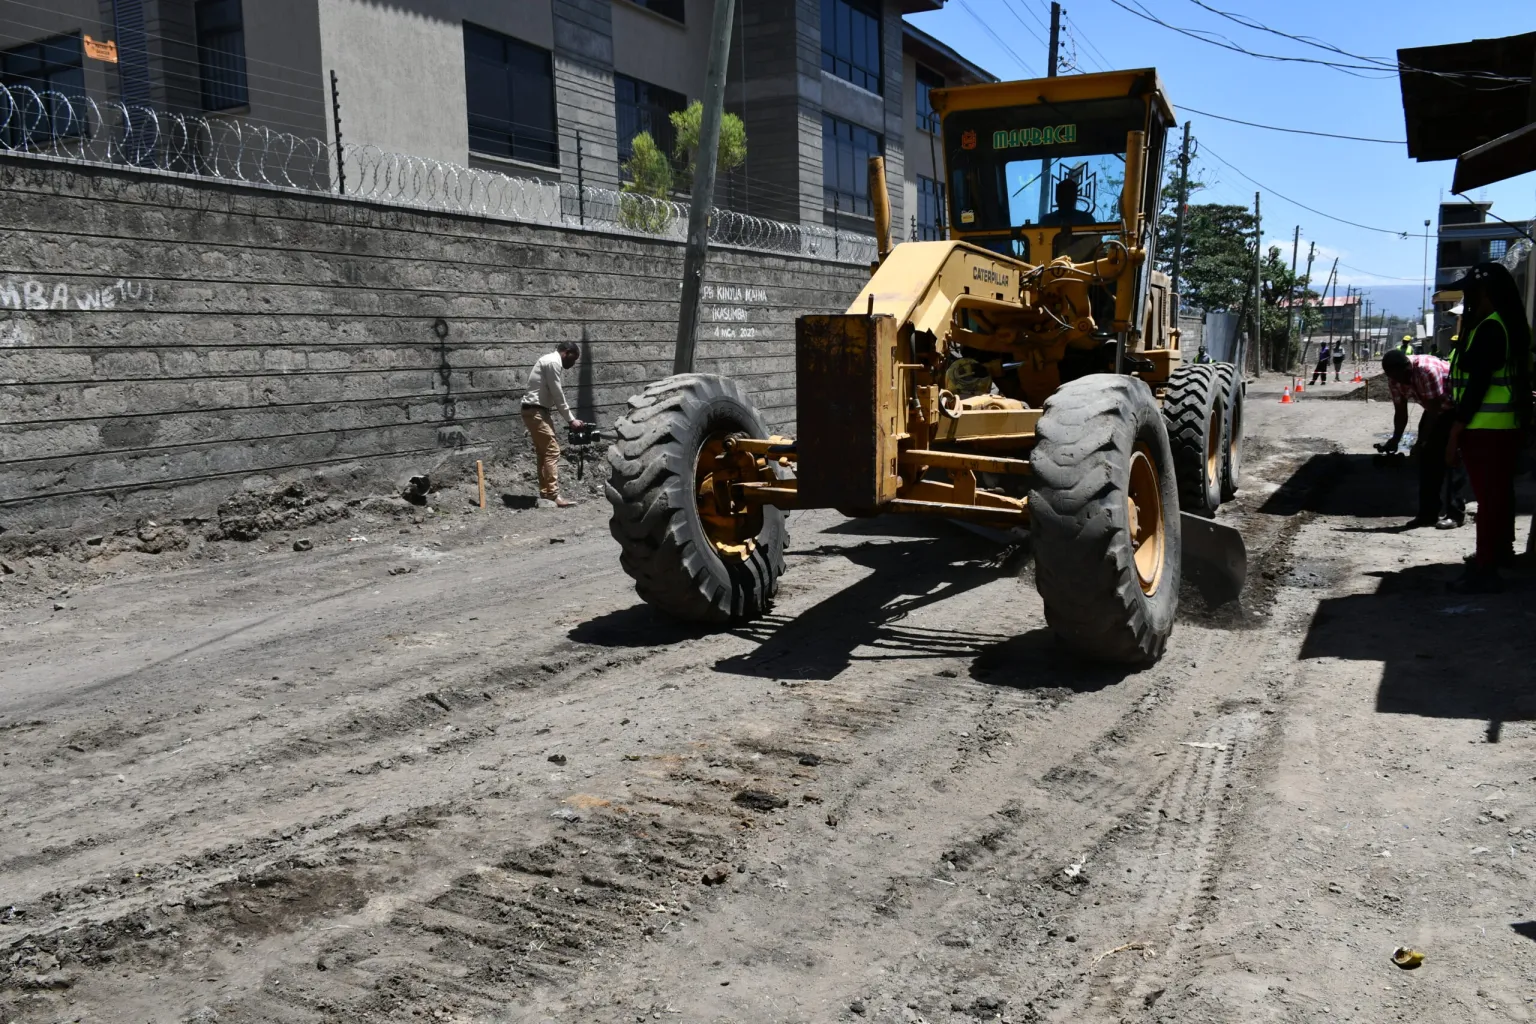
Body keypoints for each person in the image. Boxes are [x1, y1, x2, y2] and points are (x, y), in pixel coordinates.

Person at [1443, 262, 1533, 592]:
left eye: (1470, 291)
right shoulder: (1507, 324)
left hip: (1485, 429)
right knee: (1498, 497)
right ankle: (1497, 555)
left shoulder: (1491, 329)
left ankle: (1485, 569)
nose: (1467, 298)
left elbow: (1480, 384)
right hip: (1500, 427)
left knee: (1488, 500)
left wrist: (1456, 430)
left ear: (1484, 292)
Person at [1380, 347, 1464, 530]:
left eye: (1401, 377)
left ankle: (1455, 513)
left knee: (1450, 458)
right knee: (1427, 461)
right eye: (1393, 378)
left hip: (1454, 408)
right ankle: (1428, 514)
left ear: (1407, 368)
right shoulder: (1394, 379)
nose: (1399, 382)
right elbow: (1401, 412)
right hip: (1434, 409)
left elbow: (1436, 410)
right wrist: (1395, 439)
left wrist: (1420, 443)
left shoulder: (1426, 370)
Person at [520, 340, 586, 508]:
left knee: (544, 453)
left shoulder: (550, 361)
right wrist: (571, 420)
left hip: (537, 411)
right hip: (536, 411)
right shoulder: (553, 362)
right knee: (552, 450)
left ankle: (546, 494)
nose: (573, 362)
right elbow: (558, 394)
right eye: (573, 358)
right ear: (566, 352)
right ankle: (554, 495)